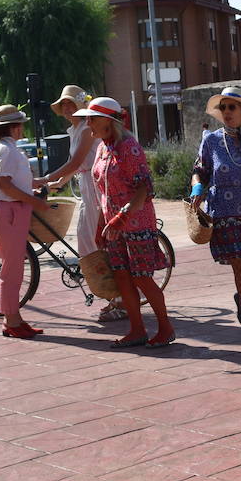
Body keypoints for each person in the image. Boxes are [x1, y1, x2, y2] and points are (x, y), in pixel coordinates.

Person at [75, 96, 175, 348]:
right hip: (114, 225)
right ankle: (137, 329)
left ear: (108, 121)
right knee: (122, 277)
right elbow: (103, 190)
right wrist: (102, 223)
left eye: (92, 119)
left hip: (136, 223)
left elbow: (144, 188)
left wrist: (121, 217)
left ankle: (165, 328)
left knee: (141, 277)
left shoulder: (129, 147)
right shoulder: (102, 147)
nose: (88, 124)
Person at [37, 84, 124, 323]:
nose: (66, 108)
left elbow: (76, 163)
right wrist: (54, 184)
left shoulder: (87, 128)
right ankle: (112, 294)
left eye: (70, 103)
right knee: (88, 239)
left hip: (96, 186)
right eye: (63, 104)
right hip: (87, 184)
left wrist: (45, 179)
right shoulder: (75, 129)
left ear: (80, 105)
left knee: (95, 240)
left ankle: (119, 296)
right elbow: (74, 166)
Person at [191, 87, 241, 341]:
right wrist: (196, 186)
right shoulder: (211, 140)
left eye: (231, 107)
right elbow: (200, 170)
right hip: (224, 214)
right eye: (223, 107)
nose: (226, 112)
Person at [0, 104, 49, 338]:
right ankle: (11, 319)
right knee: (12, 269)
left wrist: (37, 183)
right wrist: (35, 202)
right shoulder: (7, 150)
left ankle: (14, 318)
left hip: (8, 209)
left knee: (14, 267)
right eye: (20, 125)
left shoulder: (1, 148)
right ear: (13, 127)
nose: (22, 129)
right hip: (8, 210)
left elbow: (8, 181)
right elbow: (5, 185)